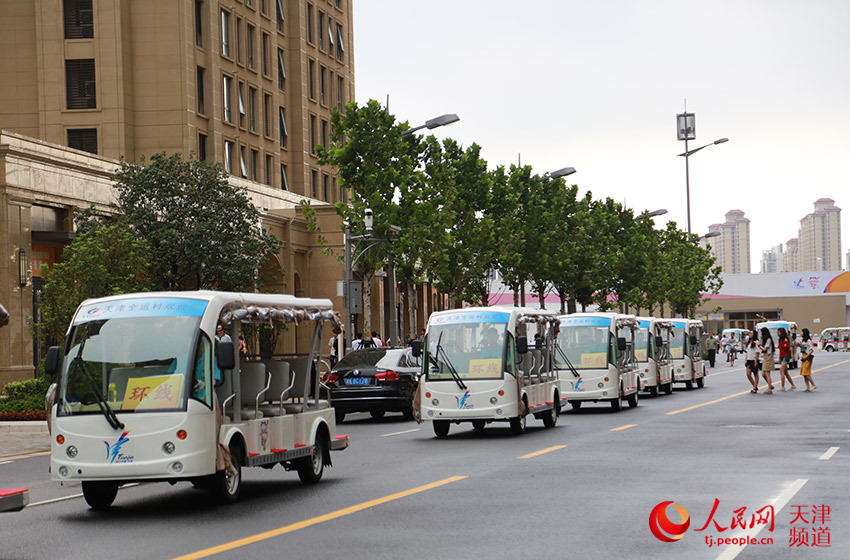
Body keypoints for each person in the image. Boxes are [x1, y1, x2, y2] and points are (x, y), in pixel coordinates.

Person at [759, 327, 775, 394]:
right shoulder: (767, 339)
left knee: (767, 373)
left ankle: (769, 388)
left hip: (768, 357)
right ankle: (770, 385)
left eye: (762, 332)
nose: (761, 334)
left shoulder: (768, 339)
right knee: (763, 374)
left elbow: (765, 349)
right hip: (766, 357)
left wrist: (759, 345)